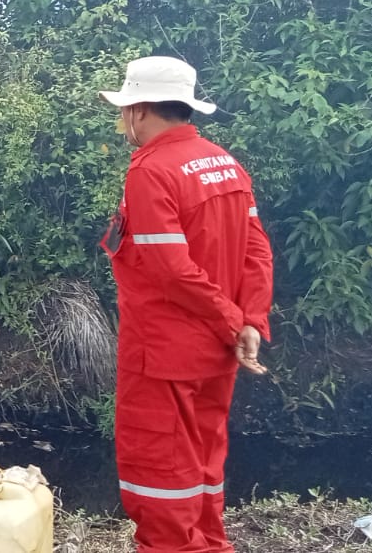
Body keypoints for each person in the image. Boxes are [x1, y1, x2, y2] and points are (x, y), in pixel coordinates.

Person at [100, 56, 273, 552]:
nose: (124, 122)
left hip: (164, 354)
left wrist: (232, 319)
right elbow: (257, 250)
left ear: (141, 110)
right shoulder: (226, 163)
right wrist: (249, 322)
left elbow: (171, 268)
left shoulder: (152, 171)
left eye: (126, 109)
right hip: (218, 353)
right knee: (203, 463)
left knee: (158, 474)